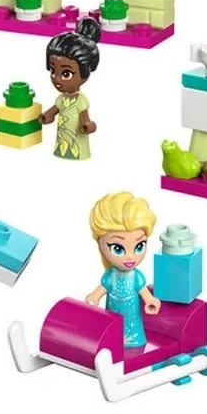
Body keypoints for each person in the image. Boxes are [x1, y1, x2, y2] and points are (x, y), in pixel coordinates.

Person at [84, 192, 161, 348]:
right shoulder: (110, 276)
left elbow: (144, 292)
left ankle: (133, 345)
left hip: (132, 313)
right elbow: (101, 289)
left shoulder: (136, 276)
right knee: (112, 335)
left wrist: (150, 301)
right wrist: (94, 297)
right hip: (113, 312)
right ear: (100, 244)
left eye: (139, 246)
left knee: (132, 333)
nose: (130, 256)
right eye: (118, 249)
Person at [40, 17, 100, 159]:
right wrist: (46, 116)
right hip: (62, 139)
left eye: (66, 74)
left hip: (77, 139)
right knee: (63, 148)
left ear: (86, 71)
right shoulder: (62, 99)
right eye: (53, 71)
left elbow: (84, 117)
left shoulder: (80, 100)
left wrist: (87, 125)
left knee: (75, 148)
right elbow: (53, 111)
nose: (57, 79)